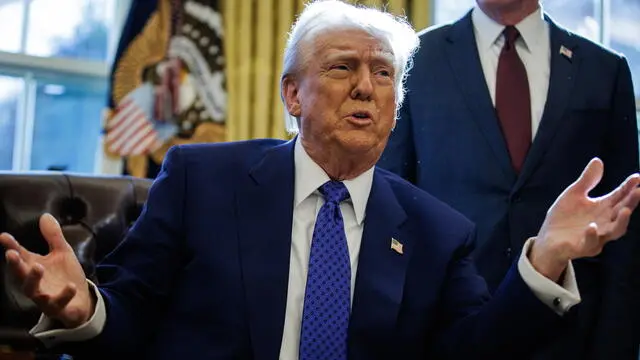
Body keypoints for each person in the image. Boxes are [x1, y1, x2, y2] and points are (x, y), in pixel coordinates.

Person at [1, 1, 639, 359]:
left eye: (384, 74)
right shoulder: (204, 178)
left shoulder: (437, 232)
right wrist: (84, 306)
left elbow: (474, 353)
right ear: (293, 95)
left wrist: (545, 259)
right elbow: (132, 307)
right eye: (342, 67)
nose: (366, 86)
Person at [377, 0, 640, 358]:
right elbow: (391, 211)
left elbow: (626, 229)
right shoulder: (413, 61)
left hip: (570, 334)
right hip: (446, 332)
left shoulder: (604, 70)